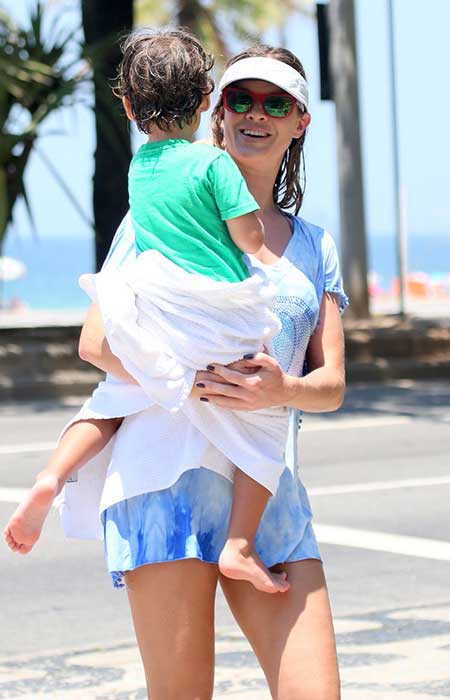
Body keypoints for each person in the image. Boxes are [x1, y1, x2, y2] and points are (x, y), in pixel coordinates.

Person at [14, 42, 348, 699]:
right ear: (213, 110)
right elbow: (96, 342)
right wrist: (190, 377)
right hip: (167, 482)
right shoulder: (154, 217)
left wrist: (282, 389)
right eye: (239, 98)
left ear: (299, 119)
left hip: (267, 488)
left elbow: (331, 384)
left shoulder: (313, 246)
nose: (255, 112)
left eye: (274, 101)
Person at [4, 29, 301, 595]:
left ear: (128, 105)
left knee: (112, 399)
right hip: (217, 316)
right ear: (209, 97)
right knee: (266, 421)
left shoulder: (141, 168)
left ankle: (52, 476)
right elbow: (243, 235)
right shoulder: (214, 166)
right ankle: (240, 546)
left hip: (157, 313)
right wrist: (253, 230)